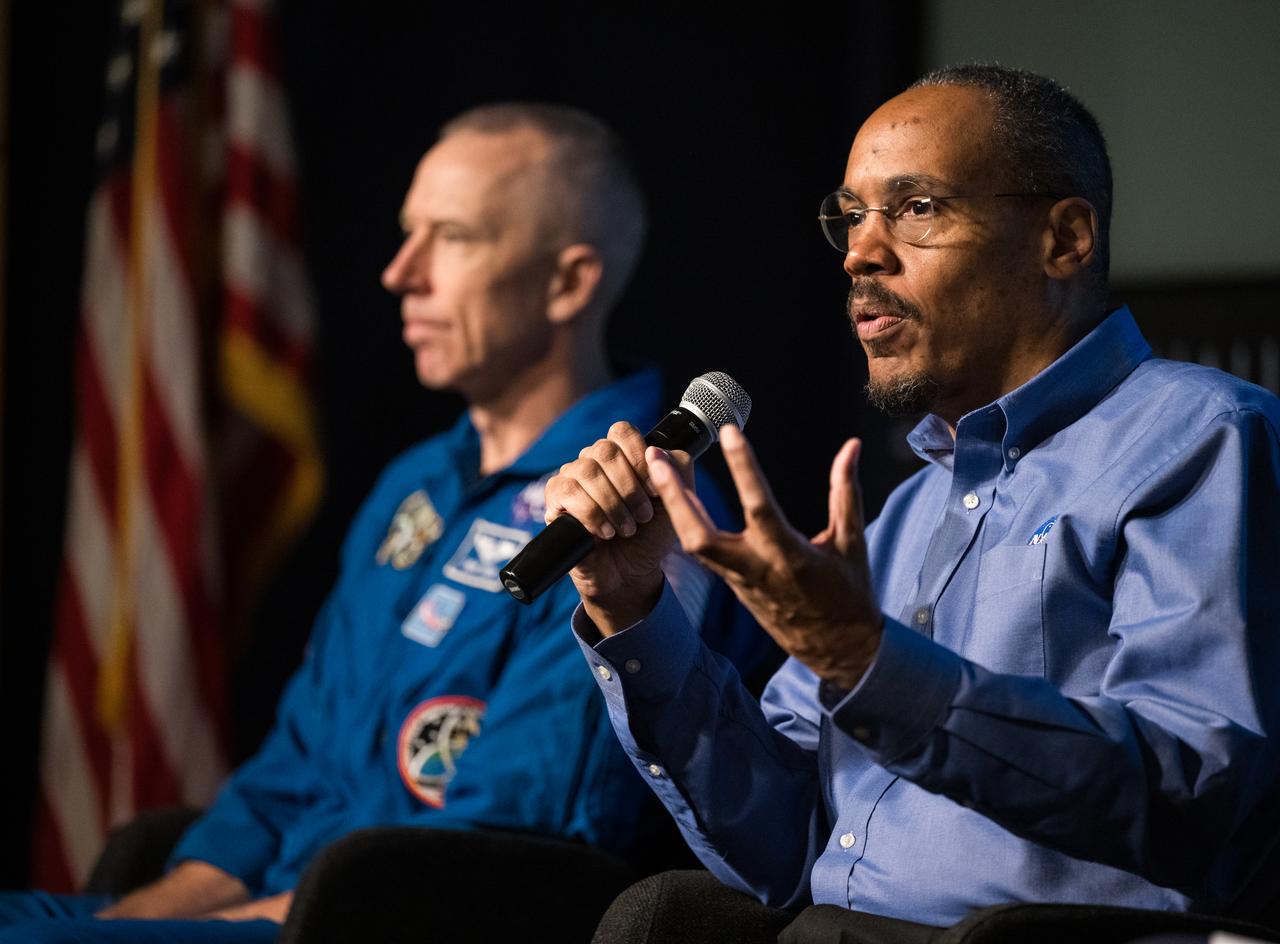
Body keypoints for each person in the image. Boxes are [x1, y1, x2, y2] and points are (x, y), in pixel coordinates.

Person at [0, 104, 768, 943]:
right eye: (408, 234)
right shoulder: (416, 486)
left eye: (453, 238)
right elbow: (294, 766)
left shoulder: (630, 516)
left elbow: (493, 862)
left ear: (567, 282)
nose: (401, 273)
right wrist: (123, 923)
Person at [548, 64, 1280, 943]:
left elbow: (1198, 801)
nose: (860, 251)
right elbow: (779, 840)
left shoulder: (1205, 438)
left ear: (1065, 238)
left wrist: (868, 664)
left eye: (918, 207)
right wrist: (633, 603)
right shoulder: (907, 515)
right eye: (851, 216)